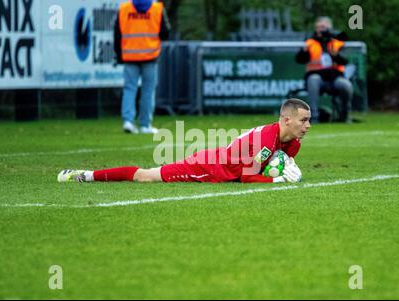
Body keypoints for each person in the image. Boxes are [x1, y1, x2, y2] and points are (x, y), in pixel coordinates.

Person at [57, 99, 310, 184]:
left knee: (147, 175)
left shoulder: (294, 142)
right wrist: (277, 180)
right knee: (146, 176)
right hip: (208, 168)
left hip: (221, 160)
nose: (308, 125)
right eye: (303, 120)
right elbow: (246, 177)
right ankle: (84, 175)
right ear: (286, 120)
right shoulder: (265, 140)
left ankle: (86, 174)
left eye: (309, 120)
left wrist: (285, 169)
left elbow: (272, 164)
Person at [114, 0, 171, 134]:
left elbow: (117, 34)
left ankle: (128, 121)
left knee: (129, 89)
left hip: (129, 56)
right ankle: (145, 124)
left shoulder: (124, 8)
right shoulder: (157, 8)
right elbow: (166, 32)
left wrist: (119, 55)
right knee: (148, 91)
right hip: (150, 56)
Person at [295, 16, 353, 123]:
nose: (321, 29)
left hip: (335, 77)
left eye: (323, 27)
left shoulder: (337, 41)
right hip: (317, 76)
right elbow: (299, 59)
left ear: (329, 28)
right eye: (319, 27)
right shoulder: (310, 42)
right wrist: (303, 51)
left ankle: (345, 115)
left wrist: (336, 55)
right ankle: (314, 117)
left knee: (346, 85)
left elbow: (345, 60)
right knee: (313, 80)